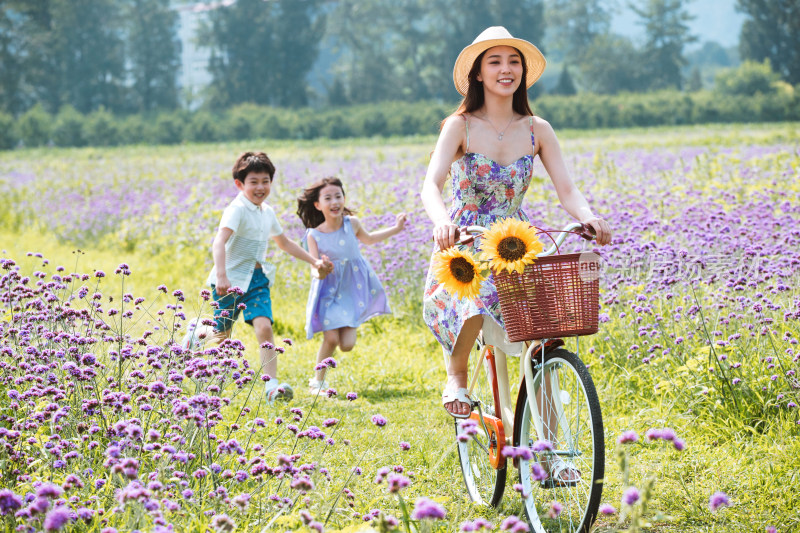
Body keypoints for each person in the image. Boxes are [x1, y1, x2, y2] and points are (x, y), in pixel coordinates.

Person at [420, 27, 612, 482]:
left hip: (514, 241)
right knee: (469, 293)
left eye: (513, 62)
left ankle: (552, 450)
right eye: (495, 62)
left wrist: (589, 216)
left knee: (541, 345)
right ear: (478, 73)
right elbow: (431, 184)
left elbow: (567, 188)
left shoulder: (537, 129)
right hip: (464, 240)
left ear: (523, 72)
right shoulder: (460, 126)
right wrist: (441, 222)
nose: (506, 70)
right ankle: (457, 376)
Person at [183, 151, 333, 404]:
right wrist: (221, 275)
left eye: (265, 181)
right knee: (221, 337)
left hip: (257, 280)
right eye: (254, 182)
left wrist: (314, 261)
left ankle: (271, 387)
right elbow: (219, 241)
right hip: (228, 281)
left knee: (264, 327)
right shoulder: (237, 209)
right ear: (239, 184)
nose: (260, 187)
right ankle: (198, 332)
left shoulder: (267, 212)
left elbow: (284, 242)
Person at [297, 177, 406, 394]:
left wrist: (396, 228)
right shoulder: (314, 235)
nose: (335, 201)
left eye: (338, 196)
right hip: (327, 289)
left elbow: (370, 239)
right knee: (330, 338)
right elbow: (312, 264)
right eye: (328, 198)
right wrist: (320, 268)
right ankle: (318, 382)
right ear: (318, 205)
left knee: (346, 344)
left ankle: (346, 323)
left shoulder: (352, 224)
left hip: (351, 289)